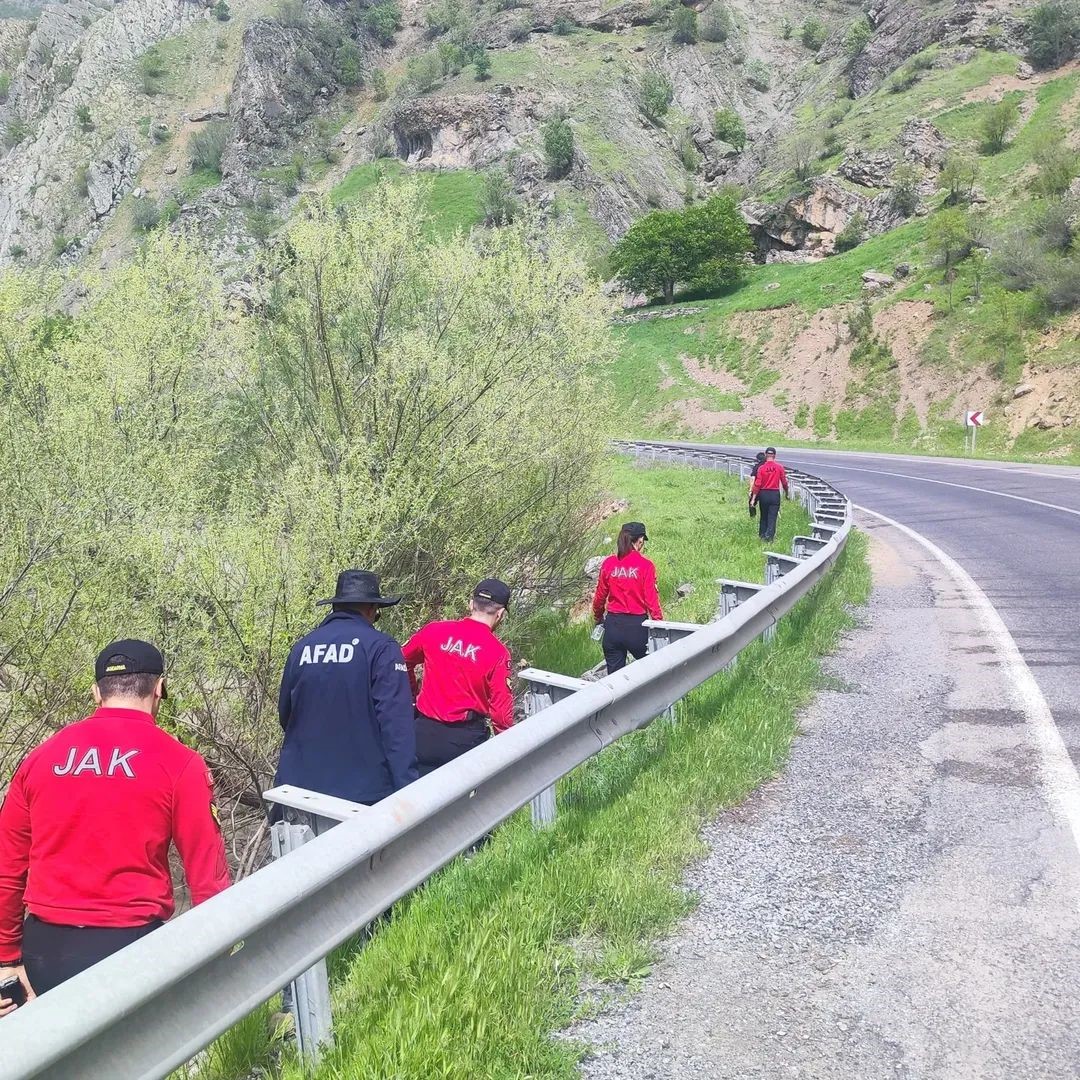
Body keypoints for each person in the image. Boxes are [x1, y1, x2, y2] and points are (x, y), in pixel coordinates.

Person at [0, 640, 230, 1010]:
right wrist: (220, 958)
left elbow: (7, 866)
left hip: (45, 950)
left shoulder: (41, 758)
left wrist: (7, 960)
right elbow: (208, 879)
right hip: (132, 948)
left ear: (96, 692)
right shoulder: (180, 763)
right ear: (159, 689)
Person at [275, 569, 417, 808]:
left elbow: (285, 715)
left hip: (297, 790)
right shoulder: (381, 648)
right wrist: (408, 793)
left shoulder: (302, 648)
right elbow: (397, 727)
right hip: (361, 794)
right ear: (372, 610)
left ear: (335, 608)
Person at [402, 579, 515, 778]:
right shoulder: (498, 653)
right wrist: (508, 752)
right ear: (501, 614)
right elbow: (501, 716)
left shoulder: (434, 631)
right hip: (463, 740)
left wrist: (411, 694)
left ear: (471, 604)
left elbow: (402, 660)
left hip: (422, 734)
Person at [591, 522, 663, 675]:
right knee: (655, 671)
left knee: (616, 681)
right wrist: (659, 625)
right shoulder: (646, 566)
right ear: (640, 540)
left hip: (613, 627)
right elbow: (652, 601)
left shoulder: (609, 564)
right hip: (637, 627)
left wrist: (598, 618)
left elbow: (599, 598)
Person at [749, 446, 790, 543]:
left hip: (763, 494)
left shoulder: (761, 468)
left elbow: (757, 484)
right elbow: (784, 482)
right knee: (772, 516)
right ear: (774, 456)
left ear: (766, 455)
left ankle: (762, 535)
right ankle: (769, 537)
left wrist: (753, 498)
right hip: (774, 494)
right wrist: (787, 493)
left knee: (764, 516)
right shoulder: (779, 467)